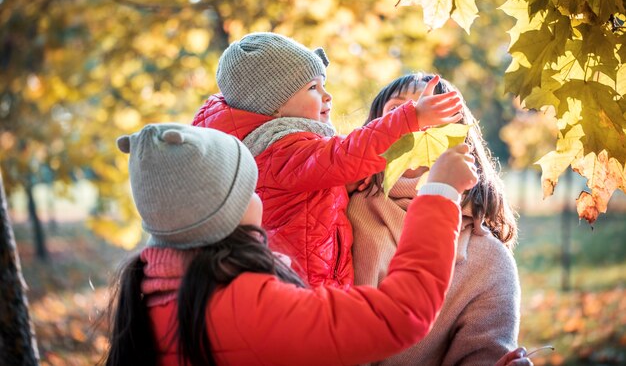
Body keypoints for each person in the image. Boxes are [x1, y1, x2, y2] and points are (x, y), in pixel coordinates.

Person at [103, 122, 478, 366]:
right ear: (223, 212)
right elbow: (400, 315)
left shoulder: (150, 293)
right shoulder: (248, 307)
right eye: (249, 189)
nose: (260, 197)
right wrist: (439, 192)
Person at [192, 32, 463, 288]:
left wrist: (340, 187)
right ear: (275, 106)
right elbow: (344, 155)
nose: (327, 96)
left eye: (324, 84)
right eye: (313, 87)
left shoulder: (269, 146)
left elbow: (309, 188)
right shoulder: (280, 149)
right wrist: (410, 118)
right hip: (305, 286)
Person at [348, 73, 523, 366]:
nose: (414, 119)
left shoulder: (488, 260)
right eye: (396, 110)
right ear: (372, 128)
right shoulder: (334, 209)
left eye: (434, 110)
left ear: (459, 138)